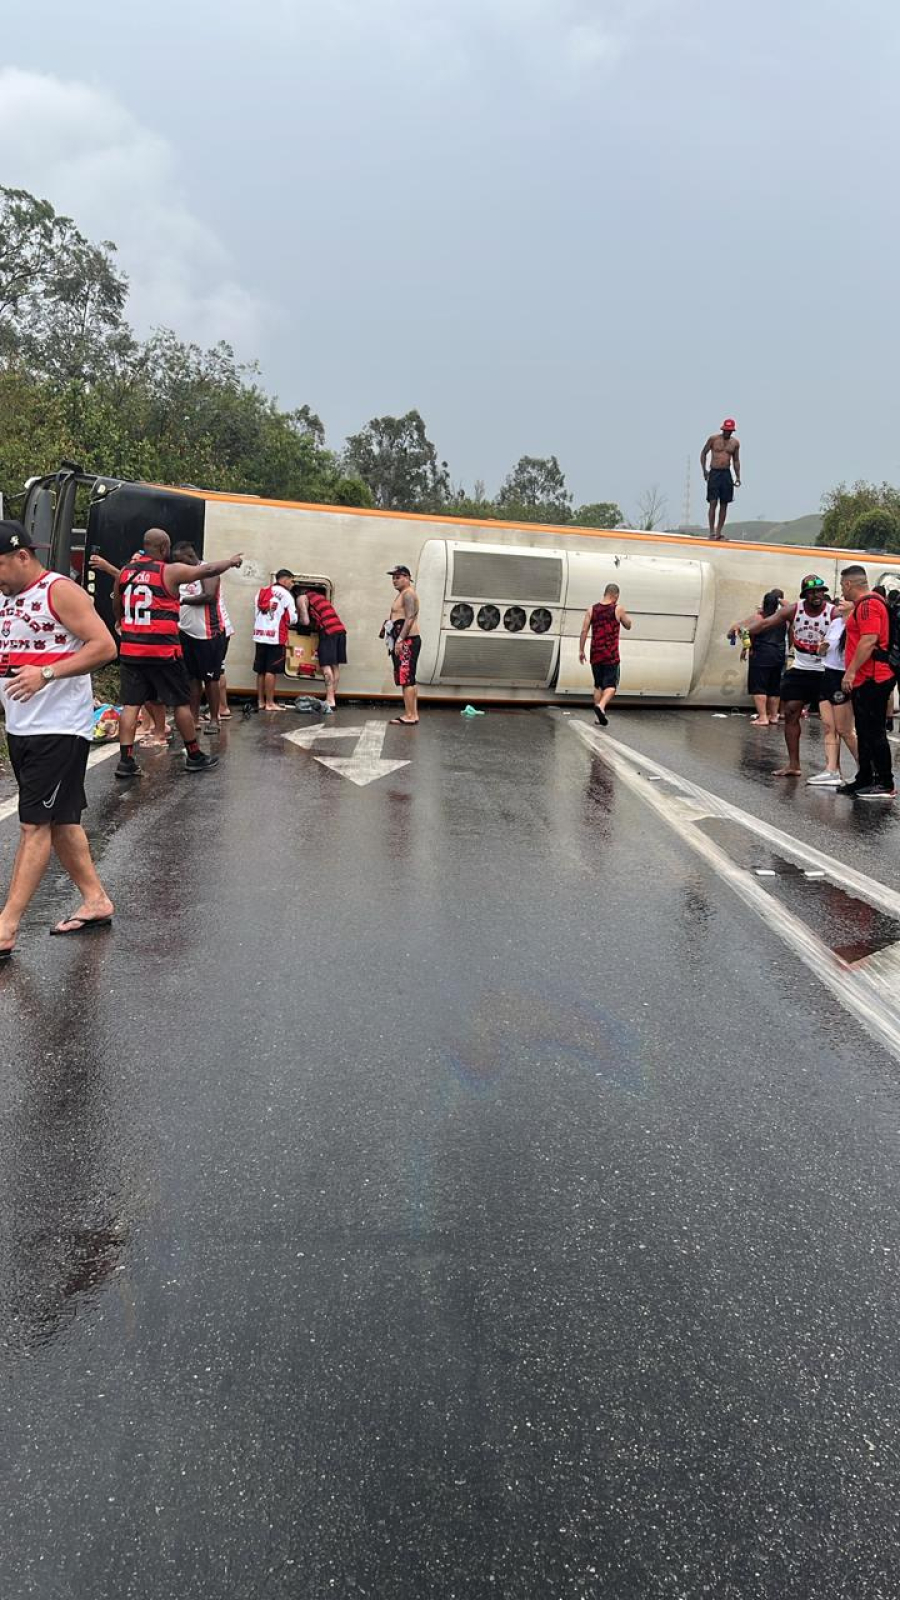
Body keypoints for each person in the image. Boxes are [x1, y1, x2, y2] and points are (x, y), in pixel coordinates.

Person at [0, 521, 118, 960]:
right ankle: (96, 900)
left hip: (59, 727)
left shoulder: (60, 591)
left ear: (22, 556)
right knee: (62, 821)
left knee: (34, 825)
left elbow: (105, 646)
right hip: (22, 727)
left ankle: (6, 926)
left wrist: (48, 673)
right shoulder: (5, 598)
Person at [114, 530, 243, 778]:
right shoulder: (168, 571)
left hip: (131, 649)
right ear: (163, 548)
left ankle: (126, 760)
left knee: (131, 704)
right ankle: (194, 754)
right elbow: (205, 571)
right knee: (181, 703)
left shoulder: (125, 572)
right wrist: (230, 561)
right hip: (162, 649)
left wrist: (123, 624)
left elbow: (116, 606)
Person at [748, 574, 838, 778]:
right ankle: (793, 765)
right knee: (790, 713)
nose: (817, 595)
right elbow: (766, 623)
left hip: (825, 670)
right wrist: (745, 631)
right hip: (801, 668)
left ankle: (833, 769)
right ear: (805, 594)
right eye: (812, 592)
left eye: (820, 591)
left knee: (830, 723)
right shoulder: (794, 609)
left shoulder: (833, 613)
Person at [88, 552, 168, 745]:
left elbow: (123, 575)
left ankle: (158, 728)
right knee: (138, 693)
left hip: (148, 641)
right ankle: (148, 725)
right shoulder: (128, 580)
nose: (133, 565)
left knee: (150, 692)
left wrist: (108, 567)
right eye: (131, 560)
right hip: (133, 640)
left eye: (136, 560)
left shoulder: (150, 578)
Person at [836, 565, 896, 799]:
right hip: (866, 678)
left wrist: (850, 673)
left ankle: (885, 782)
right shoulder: (867, 604)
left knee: (874, 731)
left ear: (850, 584)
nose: (842, 590)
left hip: (873, 677)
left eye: (842, 585)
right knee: (864, 730)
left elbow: (869, 641)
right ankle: (865, 777)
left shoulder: (868, 605)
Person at [173, 542, 228, 734]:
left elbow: (209, 596)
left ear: (190, 557)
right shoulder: (183, 575)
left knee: (210, 678)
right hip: (186, 632)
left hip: (208, 633)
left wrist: (183, 600)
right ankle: (193, 719)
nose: (179, 565)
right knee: (192, 679)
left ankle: (215, 719)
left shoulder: (208, 571)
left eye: (181, 560)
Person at [806, 600, 859, 786]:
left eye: (845, 599)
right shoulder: (836, 623)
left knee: (845, 730)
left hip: (842, 676)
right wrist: (821, 649)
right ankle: (831, 770)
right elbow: (824, 649)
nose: (840, 601)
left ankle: (867, 769)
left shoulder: (856, 625)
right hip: (827, 673)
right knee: (829, 727)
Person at [727, 587, 785, 724]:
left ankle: (763, 717)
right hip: (778, 655)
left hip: (761, 654)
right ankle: (774, 716)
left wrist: (745, 647)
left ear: (764, 603)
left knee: (759, 686)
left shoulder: (758, 617)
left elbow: (742, 630)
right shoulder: (783, 619)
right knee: (774, 687)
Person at [579, 583, 632, 725]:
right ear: (615, 595)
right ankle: (601, 707)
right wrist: (623, 616)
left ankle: (598, 717)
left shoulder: (592, 609)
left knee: (598, 686)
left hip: (595, 653)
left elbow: (584, 630)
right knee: (611, 686)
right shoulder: (618, 609)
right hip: (611, 654)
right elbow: (628, 625)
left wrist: (581, 650)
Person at [295, 588, 347, 714]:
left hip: (328, 632)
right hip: (340, 631)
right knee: (335, 666)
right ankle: (332, 697)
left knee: (325, 666)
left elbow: (305, 621)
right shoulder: (319, 597)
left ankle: (330, 700)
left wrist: (297, 621)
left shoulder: (302, 597)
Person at [253, 568, 296, 711]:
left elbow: (256, 613)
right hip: (276, 637)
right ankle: (270, 703)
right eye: (291, 580)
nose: (292, 584)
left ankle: (260, 701)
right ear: (284, 580)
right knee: (271, 670)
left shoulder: (262, 591)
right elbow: (292, 618)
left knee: (261, 670)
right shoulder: (286, 595)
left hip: (260, 635)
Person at [383, 565, 421, 725]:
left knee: (406, 679)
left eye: (398, 577)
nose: (394, 580)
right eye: (393, 577)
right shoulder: (403, 594)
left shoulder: (408, 594)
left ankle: (410, 716)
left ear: (407, 578)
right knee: (407, 678)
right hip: (405, 640)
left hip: (408, 641)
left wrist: (400, 640)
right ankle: (412, 713)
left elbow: (410, 618)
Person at [700, 419, 741, 539]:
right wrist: (704, 470)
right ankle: (711, 532)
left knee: (724, 503)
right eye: (726, 430)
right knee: (713, 502)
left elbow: (736, 460)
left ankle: (719, 532)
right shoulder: (713, 439)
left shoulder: (735, 443)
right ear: (722, 429)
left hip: (726, 474)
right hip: (714, 473)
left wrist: (738, 476)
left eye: (730, 431)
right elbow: (703, 453)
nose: (728, 432)